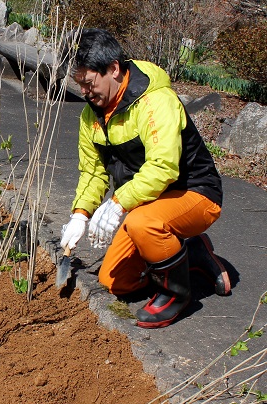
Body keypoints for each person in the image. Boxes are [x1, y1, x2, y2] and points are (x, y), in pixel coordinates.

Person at [60, 29, 231, 328]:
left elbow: (163, 166)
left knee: (143, 223)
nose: (85, 93)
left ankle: (176, 293)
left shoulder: (155, 101)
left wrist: (117, 203)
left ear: (113, 68)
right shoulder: (91, 117)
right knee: (116, 282)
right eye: (80, 85)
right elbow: (92, 171)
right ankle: (189, 253)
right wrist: (80, 215)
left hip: (193, 192)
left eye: (89, 84)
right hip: (148, 201)